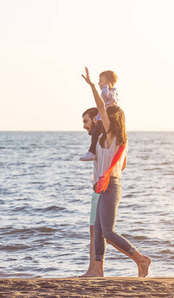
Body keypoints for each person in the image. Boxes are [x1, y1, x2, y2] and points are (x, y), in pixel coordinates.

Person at [80, 66, 152, 278]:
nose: (101, 120)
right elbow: (125, 164)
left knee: (108, 232)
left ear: (112, 122)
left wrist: (93, 86)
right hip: (105, 186)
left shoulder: (112, 138)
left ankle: (141, 259)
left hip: (111, 185)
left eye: (105, 119)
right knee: (100, 232)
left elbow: (102, 108)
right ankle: (97, 273)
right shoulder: (102, 141)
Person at [79, 107, 102, 276]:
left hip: (102, 188)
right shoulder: (98, 140)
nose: (84, 126)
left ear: (95, 119)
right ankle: (93, 269)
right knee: (94, 230)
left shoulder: (101, 139)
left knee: (101, 231)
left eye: (86, 121)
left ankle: (140, 259)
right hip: (97, 188)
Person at [80, 70, 119, 161]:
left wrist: (93, 86)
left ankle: (91, 152)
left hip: (107, 175)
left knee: (95, 132)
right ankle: (91, 152)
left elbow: (101, 106)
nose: (99, 83)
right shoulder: (101, 139)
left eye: (101, 81)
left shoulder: (109, 136)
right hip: (101, 175)